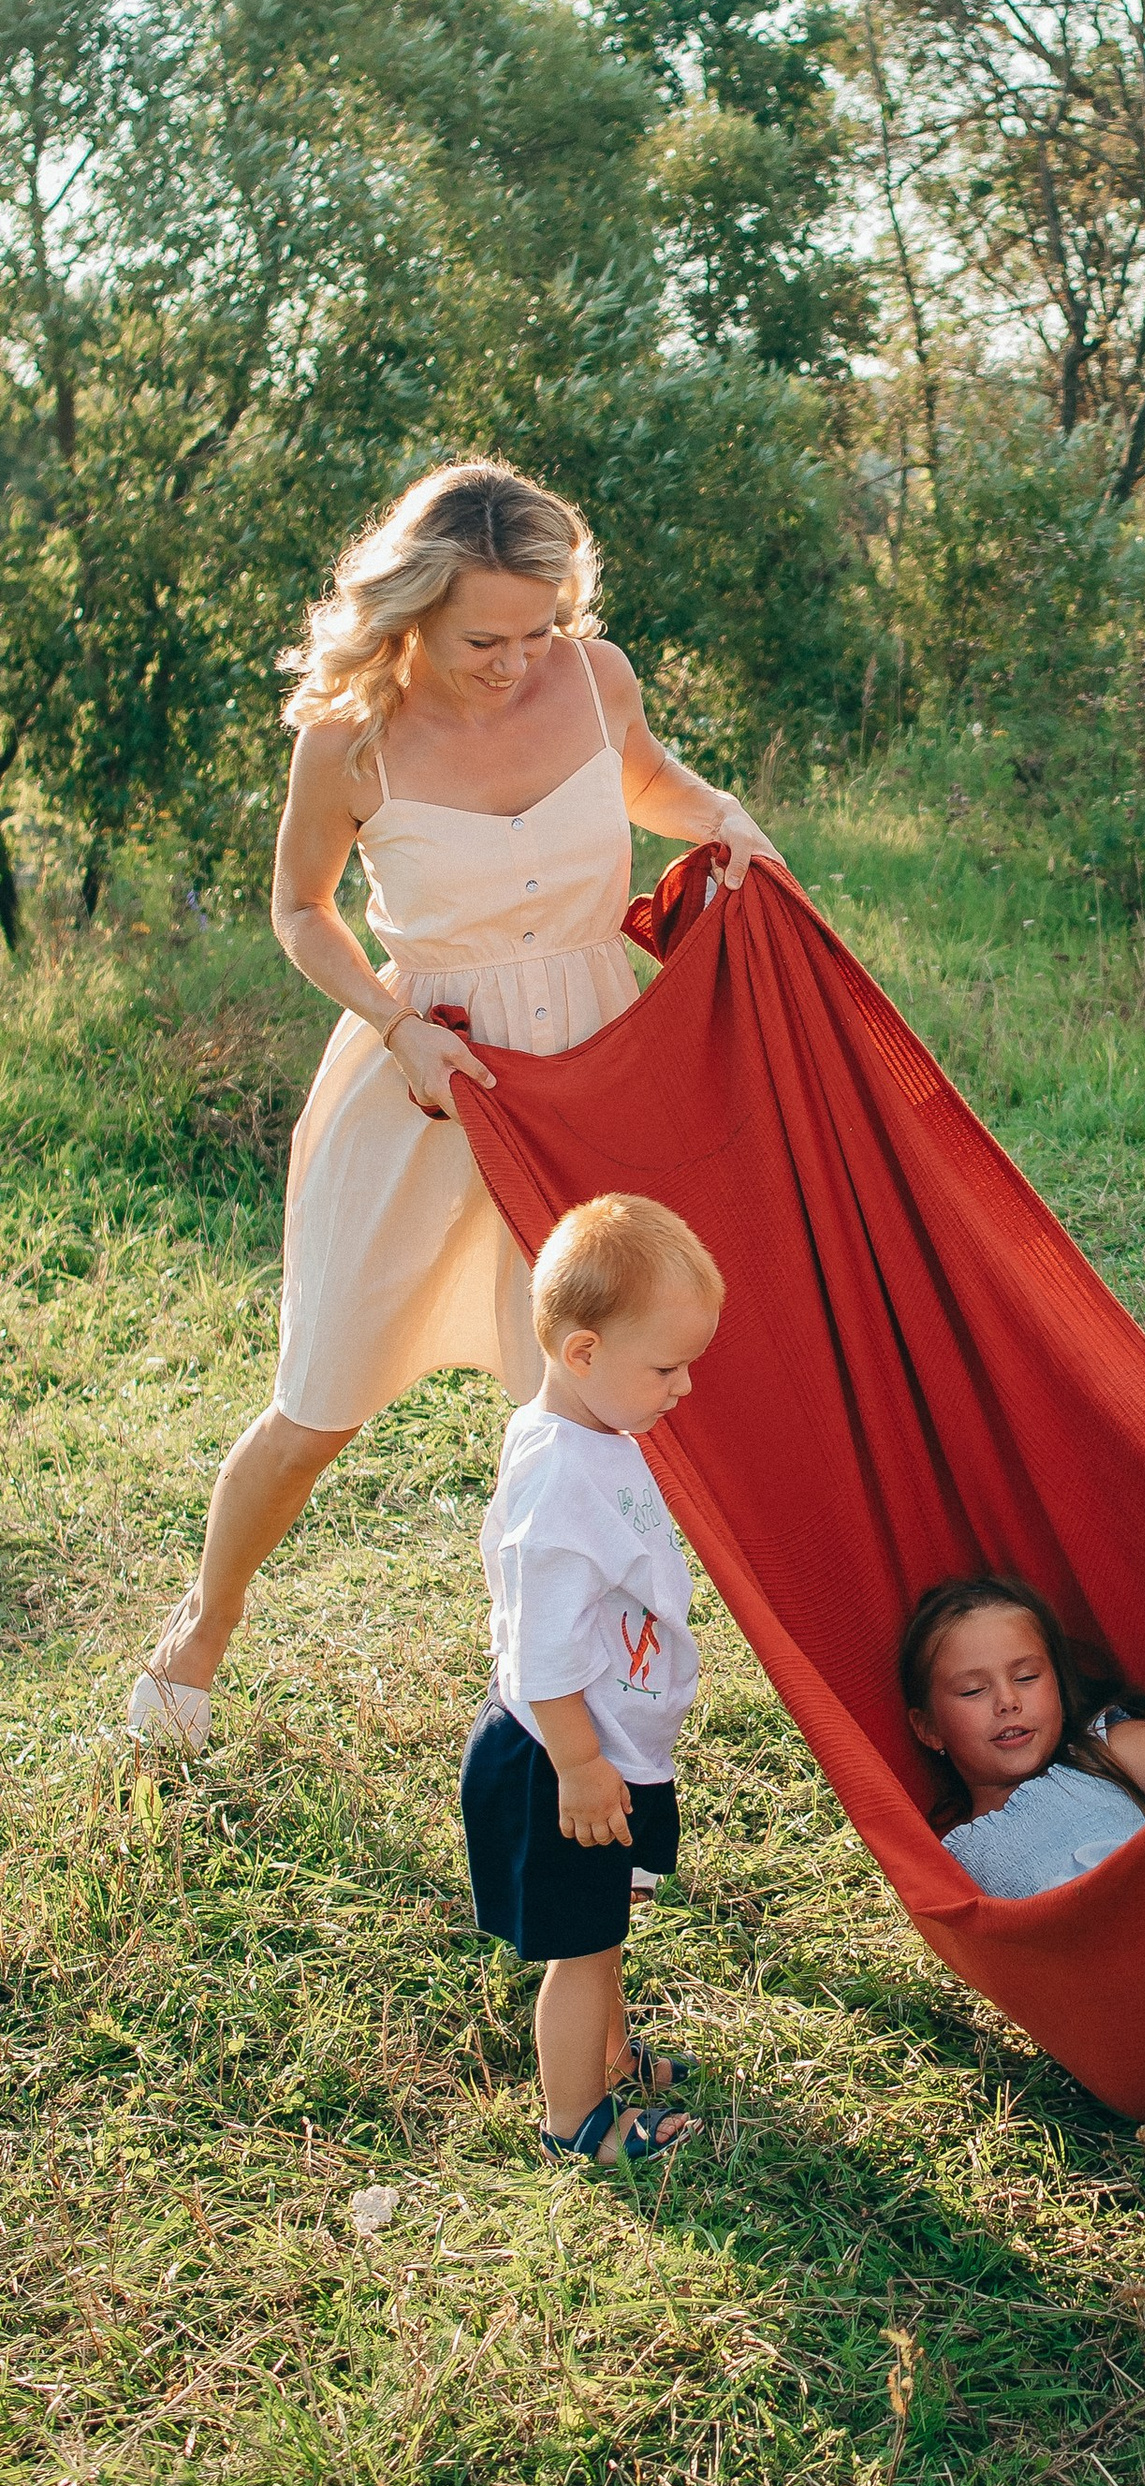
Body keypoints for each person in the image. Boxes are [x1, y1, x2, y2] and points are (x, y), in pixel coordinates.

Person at [128, 461, 784, 1754]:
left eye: (540, 627)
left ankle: (563, 1708)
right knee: (317, 1406)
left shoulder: (594, 678)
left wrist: (723, 820)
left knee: (588, 1407)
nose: (518, 660)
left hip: (596, 1076)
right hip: (431, 1084)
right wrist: (395, 1021)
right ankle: (199, 1634)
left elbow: (648, 780)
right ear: (413, 613)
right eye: (488, 636)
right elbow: (299, 910)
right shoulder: (351, 733)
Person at [463, 1192, 722, 2168]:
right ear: (582, 1353)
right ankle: (576, 2120)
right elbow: (540, 1648)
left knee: (609, 1925)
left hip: (611, 1747)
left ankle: (609, 2054)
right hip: (561, 1759)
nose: (684, 1386)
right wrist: (577, 1764)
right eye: (665, 1366)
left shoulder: (597, 1432)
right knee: (584, 1948)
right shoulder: (559, 1479)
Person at [900, 1576, 1145, 1897]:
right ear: (929, 1729)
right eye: (973, 1690)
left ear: (1059, 1687)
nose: (1008, 1702)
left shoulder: (1118, 1748)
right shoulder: (954, 1869)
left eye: (1026, 1677)